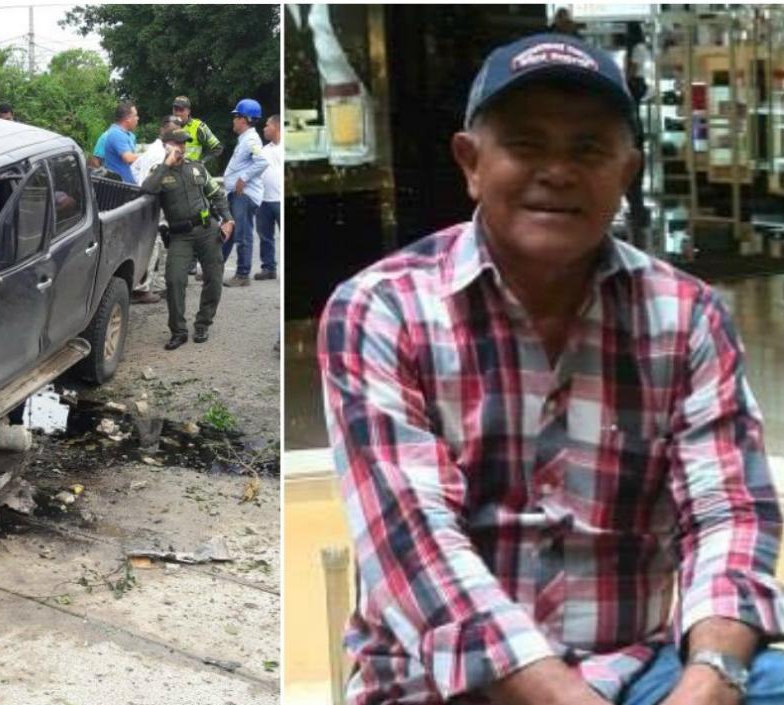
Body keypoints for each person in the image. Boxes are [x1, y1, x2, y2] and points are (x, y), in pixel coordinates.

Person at [319, 33, 784, 705]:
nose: (558, 171)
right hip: (445, 686)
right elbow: (414, 542)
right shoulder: (383, 310)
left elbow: (729, 514)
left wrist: (710, 677)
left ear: (626, 174)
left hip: (639, 673)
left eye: (588, 149)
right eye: (527, 145)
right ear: (471, 163)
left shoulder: (687, 317)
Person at [141, 129, 234, 350]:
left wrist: (228, 219)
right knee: (174, 280)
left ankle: (203, 324)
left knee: (214, 277)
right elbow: (147, 189)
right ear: (166, 145)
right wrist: (167, 163)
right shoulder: (158, 172)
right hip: (180, 235)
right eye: (176, 144)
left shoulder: (197, 167)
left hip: (207, 229)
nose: (181, 148)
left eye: (183, 144)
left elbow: (216, 194)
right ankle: (178, 331)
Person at [130, 115, 184, 304]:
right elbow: (152, 183)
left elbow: (135, 168)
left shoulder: (154, 150)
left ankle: (155, 285)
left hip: (146, 202)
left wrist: (138, 184)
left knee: (159, 246)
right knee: (153, 246)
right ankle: (141, 289)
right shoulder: (159, 155)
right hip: (152, 204)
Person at [221, 98, 269, 288]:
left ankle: (242, 275)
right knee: (229, 231)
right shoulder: (245, 140)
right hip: (237, 194)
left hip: (244, 195)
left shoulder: (251, 140)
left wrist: (243, 178)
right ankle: (215, 268)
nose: (233, 120)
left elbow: (262, 161)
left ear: (244, 119)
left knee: (242, 234)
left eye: (236, 116)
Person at [624, 20, 653, 249]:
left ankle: (637, 209)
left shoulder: (636, 49)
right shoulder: (641, 48)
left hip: (635, 87)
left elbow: (633, 69)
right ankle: (638, 210)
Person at [254, 114, 282, 281]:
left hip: (280, 199)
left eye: (267, 125)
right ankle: (268, 268)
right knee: (265, 236)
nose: (264, 129)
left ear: (277, 127)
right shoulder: (264, 150)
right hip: (263, 200)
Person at [171, 96, 224, 166]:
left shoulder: (199, 127)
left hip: (191, 169)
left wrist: (203, 161)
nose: (178, 113)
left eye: (181, 110)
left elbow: (218, 148)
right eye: (175, 109)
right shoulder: (168, 126)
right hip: (171, 169)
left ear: (188, 111)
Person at [98, 102, 140, 184]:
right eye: (135, 115)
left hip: (128, 184)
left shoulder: (127, 134)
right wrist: (147, 156)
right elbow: (128, 158)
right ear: (128, 118)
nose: (137, 118)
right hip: (120, 186)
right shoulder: (116, 134)